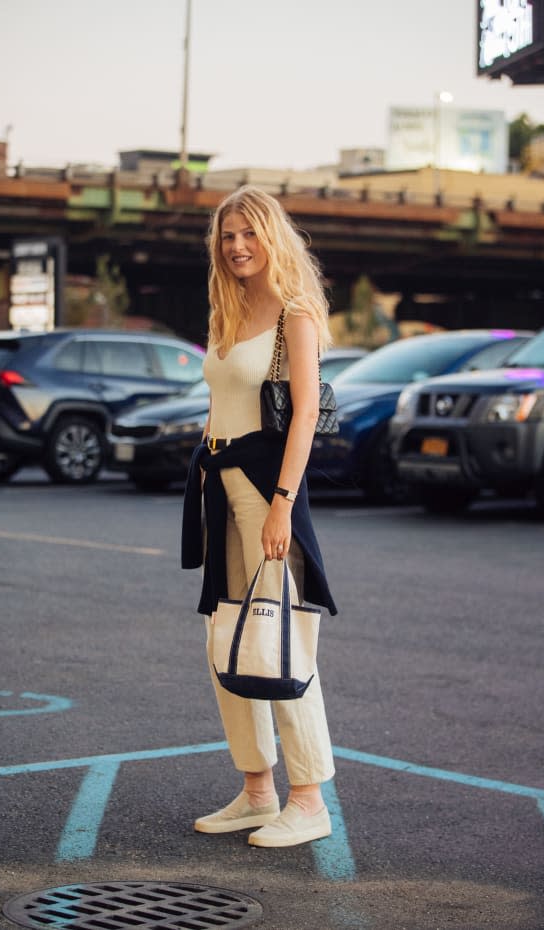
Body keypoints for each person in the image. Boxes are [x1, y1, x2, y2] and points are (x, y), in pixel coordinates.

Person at [181, 185, 338, 848]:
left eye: (248, 233)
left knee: (280, 637)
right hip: (220, 486)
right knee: (226, 639)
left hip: (268, 490)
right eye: (227, 236)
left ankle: (308, 800)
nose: (238, 246)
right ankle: (256, 790)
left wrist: (280, 505)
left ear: (270, 235)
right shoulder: (226, 307)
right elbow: (221, 403)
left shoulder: (292, 312)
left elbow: (303, 413)